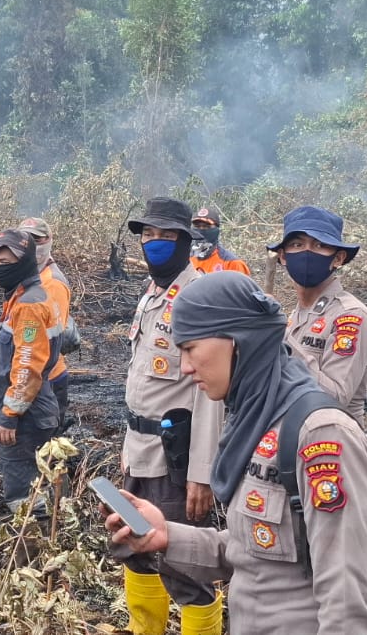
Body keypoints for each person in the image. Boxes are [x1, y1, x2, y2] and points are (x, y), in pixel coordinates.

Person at [105, 271, 367, 635]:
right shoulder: (255, 420)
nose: (185, 367)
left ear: (237, 341)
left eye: (190, 348)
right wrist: (167, 536)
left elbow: (344, 607)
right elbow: (251, 553)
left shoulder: (321, 435)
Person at [120, 196, 225, 635]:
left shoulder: (201, 297)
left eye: (167, 236)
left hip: (174, 458)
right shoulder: (152, 294)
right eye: (149, 235)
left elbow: (212, 395)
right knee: (137, 550)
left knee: (184, 568)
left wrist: (202, 472)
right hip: (139, 450)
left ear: (186, 241)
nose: (155, 243)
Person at [266, 206, 367, 428]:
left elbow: (335, 398)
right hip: (291, 439)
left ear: (338, 258)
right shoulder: (296, 315)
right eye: (297, 245)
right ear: (283, 257)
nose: (307, 253)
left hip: (333, 446)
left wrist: (279, 338)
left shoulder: (350, 317)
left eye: (319, 245)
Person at [0, 229, 65, 513]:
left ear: (25, 261)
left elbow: (28, 367)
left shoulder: (29, 304)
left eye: (6, 262)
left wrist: (10, 415)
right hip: (35, 408)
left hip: (27, 416)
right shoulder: (20, 296)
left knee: (26, 497)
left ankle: (31, 549)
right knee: (40, 485)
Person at [18, 216, 77, 429]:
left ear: (49, 240)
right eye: (26, 239)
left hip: (46, 378)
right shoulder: (28, 276)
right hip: (33, 375)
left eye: (37, 240)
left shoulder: (51, 283)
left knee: (44, 447)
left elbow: (49, 338)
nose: (32, 245)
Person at [189, 205, 252, 275]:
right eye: (197, 226)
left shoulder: (232, 263)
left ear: (216, 230)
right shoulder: (186, 259)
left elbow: (241, 285)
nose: (201, 230)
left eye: (206, 226)